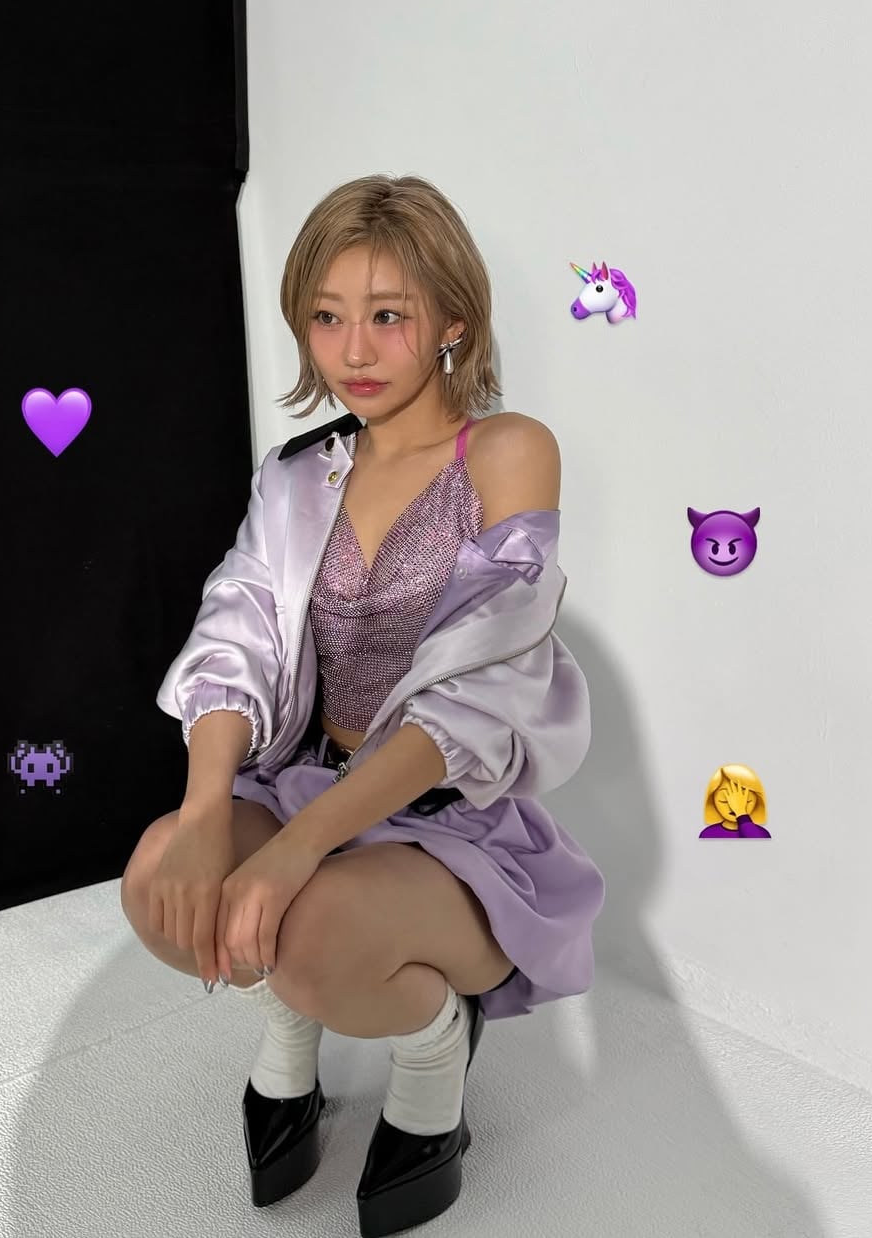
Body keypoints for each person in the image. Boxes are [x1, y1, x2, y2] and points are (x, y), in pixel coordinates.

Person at [122, 174, 605, 1236]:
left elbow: (482, 678)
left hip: (443, 815)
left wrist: (292, 854)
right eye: (327, 316)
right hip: (304, 779)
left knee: (313, 933)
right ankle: (290, 1029)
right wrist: (206, 816)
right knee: (161, 875)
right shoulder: (299, 473)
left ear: (453, 320)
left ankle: (434, 1048)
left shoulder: (508, 452)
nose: (353, 350)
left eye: (388, 315)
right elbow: (240, 631)